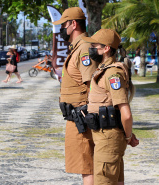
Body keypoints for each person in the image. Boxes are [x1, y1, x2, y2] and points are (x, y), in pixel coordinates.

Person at [82, 29, 139, 185]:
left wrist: (128, 137)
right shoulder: (103, 71)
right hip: (105, 138)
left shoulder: (112, 74)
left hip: (108, 140)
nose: (91, 48)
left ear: (106, 48)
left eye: (94, 45)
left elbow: (125, 114)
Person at [52, 7, 98, 185]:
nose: (61, 29)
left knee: (88, 168)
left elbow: (93, 85)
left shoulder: (85, 48)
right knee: (84, 166)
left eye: (63, 25)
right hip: (76, 118)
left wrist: (91, 116)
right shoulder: (77, 47)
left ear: (73, 24)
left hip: (84, 118)